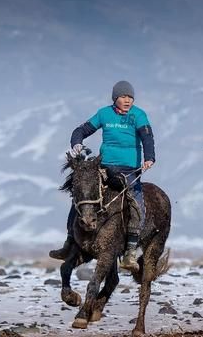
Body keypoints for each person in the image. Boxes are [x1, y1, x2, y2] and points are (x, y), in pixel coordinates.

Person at [49, 80, 155, 271]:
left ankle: (130, 251)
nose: (127, 100)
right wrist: (77, 144)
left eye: (130, 97)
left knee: (136, 201)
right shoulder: (104, 114)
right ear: (115, 98)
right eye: (123, 97)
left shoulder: (138, 115)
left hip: (129, 169)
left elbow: (147, 136)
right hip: (104, 166)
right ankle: (70, 241)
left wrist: (149, 157)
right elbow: (80, 130)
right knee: (82, 196)